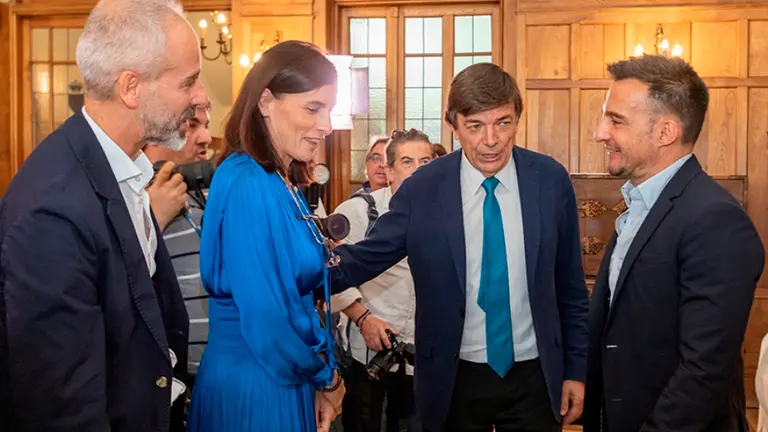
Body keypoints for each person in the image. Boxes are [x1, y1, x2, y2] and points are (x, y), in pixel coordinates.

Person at [330, 62, 589, 432]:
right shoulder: (423, 188)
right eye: (475, 126)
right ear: (452, 125)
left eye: (503, 122)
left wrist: (576, 370)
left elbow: (570, 287)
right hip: (454, 379)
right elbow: (365, 258)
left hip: (535, 375)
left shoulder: (549, 181)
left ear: (518, 119)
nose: (491, 139)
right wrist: (297, 267)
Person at [0, 0, 207, 430]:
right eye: (188, 82)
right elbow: (63, 403)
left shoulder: (124, 171)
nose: (200, 98)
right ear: (131, 87)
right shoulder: (53, 211)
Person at [583, 55, 765, 432]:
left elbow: (704, 370)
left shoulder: (716, 221)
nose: (600, 133)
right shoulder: (638, 204)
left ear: (665, 132)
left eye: (616, 120)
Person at [186, 40, 346, 432]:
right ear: (266, 101)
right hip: (258, 380)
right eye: (313, 108)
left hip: (283, 372)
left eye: (329, 110)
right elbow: (268, 316)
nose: (326, 126)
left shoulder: (277, 180)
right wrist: (328, 377)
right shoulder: (247, 182)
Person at [331, 128, 433, 432]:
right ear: (388, 170)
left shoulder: (445, 215)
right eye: (407, 162)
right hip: (369, 354)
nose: (417, 171)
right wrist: (363, 318)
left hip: (421, 354)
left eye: (425, 162)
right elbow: (334, 275)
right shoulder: (358, 211)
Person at [146, 103, 213, 379]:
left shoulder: (207, 191)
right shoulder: (129, 198)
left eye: (206, 125)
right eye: (193, 125)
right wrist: (152, 219)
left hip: (222, 381)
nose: (206, 138)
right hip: (170, 382)